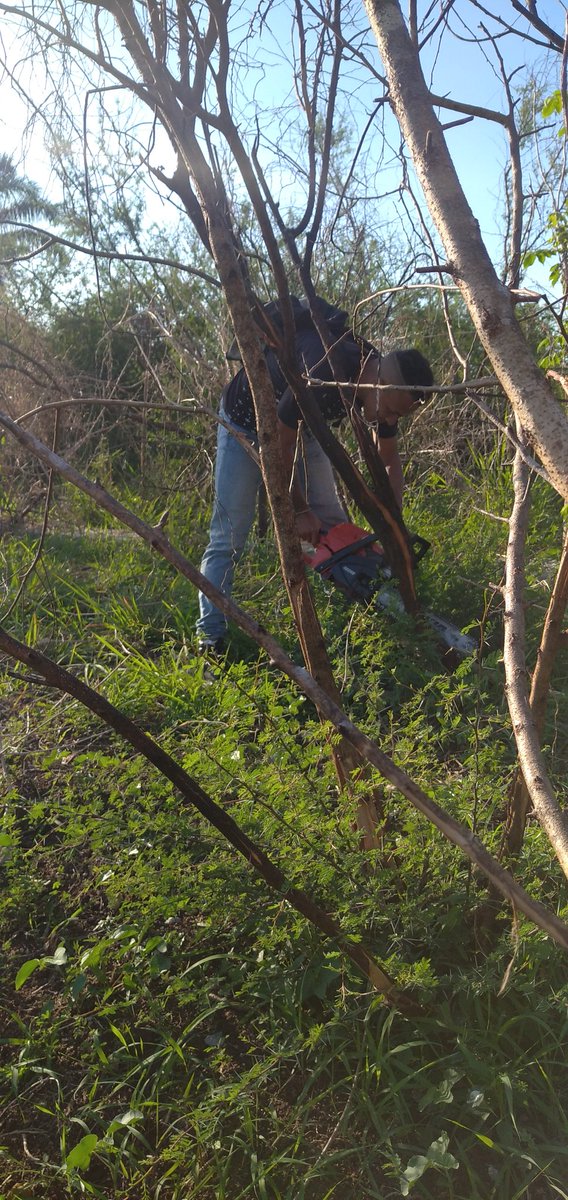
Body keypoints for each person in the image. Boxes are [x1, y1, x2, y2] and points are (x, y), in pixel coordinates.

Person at [196, 297, 433, 653]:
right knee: (228, 537)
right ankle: (210, 638)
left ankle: (357, 619)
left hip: (301, 425)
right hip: (245, 423)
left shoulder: (379, 389)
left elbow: (388, 460)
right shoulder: (327, 372)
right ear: (382, 383)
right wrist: (298, 507)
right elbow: (278, 447)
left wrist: (392, 524)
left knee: (336, 527)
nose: (389, 422)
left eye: (398, 417)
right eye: (391, 411)